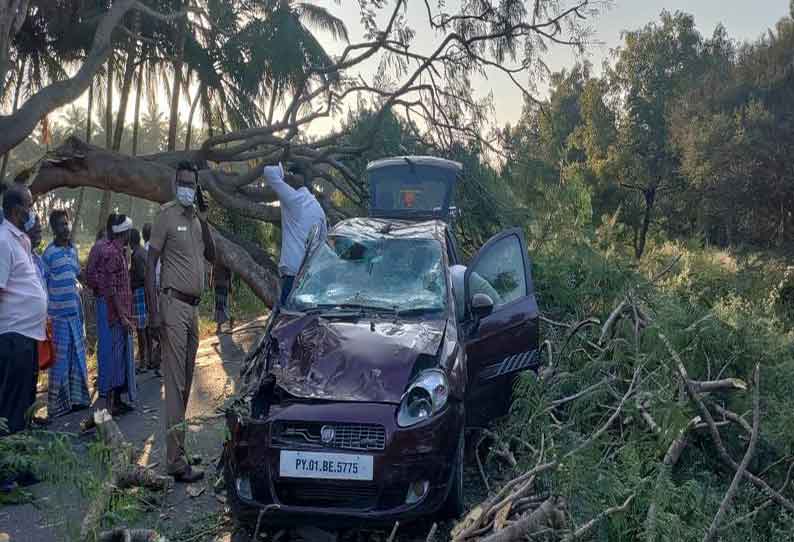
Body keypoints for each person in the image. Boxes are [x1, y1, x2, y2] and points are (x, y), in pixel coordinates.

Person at [147, 161, 215, 482]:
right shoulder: (166, 215)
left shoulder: (195, 219)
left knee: (185, 382)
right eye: (183, 182)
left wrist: (205, 217)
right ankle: (174, 463)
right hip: (172, 305)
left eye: (192, 183)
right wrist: (154, 312)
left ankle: (179, 449)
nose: (187, 188)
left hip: (193, 310)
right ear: (176, 183)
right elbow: (150, 264)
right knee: (174, 385)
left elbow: (212, 254)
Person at [0, 183, 48, 434]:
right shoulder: (3, 241)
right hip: (13, 337)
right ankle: (10, 470)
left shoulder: (21, 241)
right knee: (12, 407)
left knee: (25, 405)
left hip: (28, 337)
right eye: (30, 206)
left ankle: (23, 461)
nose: (34, 211)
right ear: (17, 211)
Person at [41, 210, 90, 418]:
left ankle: (78, 400)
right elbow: (42, 284)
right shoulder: (48, 254)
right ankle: (58, 407)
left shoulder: (73, 251)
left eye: (67, 224)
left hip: (74, 316)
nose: (65, 228)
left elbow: (77, 276)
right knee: (59, 364)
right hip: (57, 318)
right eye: (61, 225)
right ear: (54, 229)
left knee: (77, 359)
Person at [262, 163, 327, 305]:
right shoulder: (318, 208)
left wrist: (285, 174)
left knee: (287, 319)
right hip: (312, 276)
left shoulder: (293, 198)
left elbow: (268, 171)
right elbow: (324, 242)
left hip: (292, 275)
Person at [97, 214, 137, 416]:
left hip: (121, 314)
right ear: (125, 233)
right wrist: (122, 316)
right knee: (116, 358)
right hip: (117, 316)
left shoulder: (119, 252)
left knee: (120, 358)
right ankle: (113, 402)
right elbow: (112, 289)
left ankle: (117, 400)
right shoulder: (113, 254)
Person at [85, 216, 115, 398]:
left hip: (111, 301)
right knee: (105, 342)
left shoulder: (113, 247)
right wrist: (101, 286)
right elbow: (89, 274)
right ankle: (105, 385)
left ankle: (110, 383)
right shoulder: (99, 248)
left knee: (111, 343)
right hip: (104, 300)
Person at [129, 228, 151, 373]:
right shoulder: (143, 251)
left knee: (141, 329)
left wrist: (131, 283)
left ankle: (143, 361)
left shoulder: (136, 255)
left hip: (139, 293)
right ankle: (149, 358)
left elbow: (142, 276)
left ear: (131, 241)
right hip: (146, 292)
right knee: (146, 328)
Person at [142, 222, 161, 375]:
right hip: (156, 291)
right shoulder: (154, 250)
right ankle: (155, 359)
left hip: (148, 292)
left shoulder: (145, 249)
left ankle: (151, 356)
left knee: (150, 326)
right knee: (157, 326)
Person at [213, 262, 232, 334]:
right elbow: (213, 271)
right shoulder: (220, 260)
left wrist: (230, 286)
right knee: (220, 306)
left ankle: (221, 327)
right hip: (220, 285)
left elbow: (229, 275)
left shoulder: (221, 260)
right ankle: (221, 327)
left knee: (221, 306)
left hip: (222, 285)